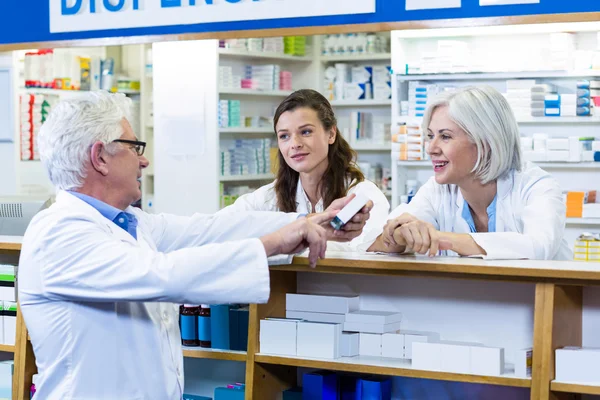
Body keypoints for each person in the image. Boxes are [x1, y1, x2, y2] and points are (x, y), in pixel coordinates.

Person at [17, 91, 369, 399]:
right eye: (134, 147)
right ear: (99, 157)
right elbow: (161, 276)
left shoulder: (128, 223)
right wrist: (271, 243)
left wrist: (309, 224)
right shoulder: (59, 234)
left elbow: (209, 230)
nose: (144, 160)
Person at [369, 85, 571, 260]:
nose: (431, 148)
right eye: (430, 136)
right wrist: (400, 235)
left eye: (445, 136)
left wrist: (441, 238)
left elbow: (538, 246)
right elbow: (375, 242)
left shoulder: (536, 186)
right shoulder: (438, 191)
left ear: (486, 142)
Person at [218, 89, 390, 252]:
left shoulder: (362, 195)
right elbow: (221, 227)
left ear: (331, 134)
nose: (294, 144)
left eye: (306, 132)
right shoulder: (269, 197)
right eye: (284, 136)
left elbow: (364, 251)